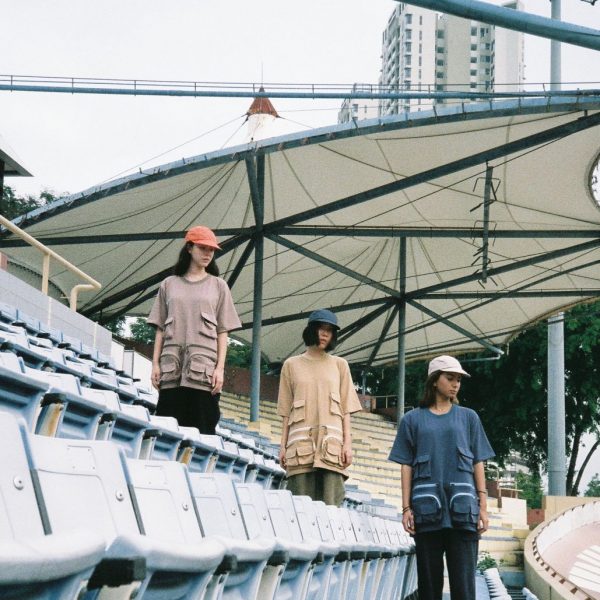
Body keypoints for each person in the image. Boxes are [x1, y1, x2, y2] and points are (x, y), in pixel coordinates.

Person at [388, 355, 495, 600]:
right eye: (450, 378)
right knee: (428, 588)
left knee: (464, 589)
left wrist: (483, 507)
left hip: (463, 511)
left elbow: (478, 461)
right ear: (435, 380)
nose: (456, 384)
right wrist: (406, 508)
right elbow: (406, 465)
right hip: (426, 512)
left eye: (459, 379)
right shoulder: (412, 420)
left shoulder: (469, 417)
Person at [147, 225, 241, 434]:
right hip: (171, 371)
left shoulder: (219, 286)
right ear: (189, 248)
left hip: (203, 373)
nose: (208, 254)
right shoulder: (168, 284)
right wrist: (155, 364)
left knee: (203, 433)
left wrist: (220, 369)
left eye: (211, 250)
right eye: (202, 248)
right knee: (166, 433)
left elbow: (223, 331)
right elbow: (160, 328)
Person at [277, 309, 363, 506]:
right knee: (300, 508)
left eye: (329, 330)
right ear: (310, 330)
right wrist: (282, 447)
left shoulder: (340, 365)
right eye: (321, 329)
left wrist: (347, 445)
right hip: (299, 450)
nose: (325, 334)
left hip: (331, 449)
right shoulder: (291, 365)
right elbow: (285, 412)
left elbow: (346, 410)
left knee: (331, 509)